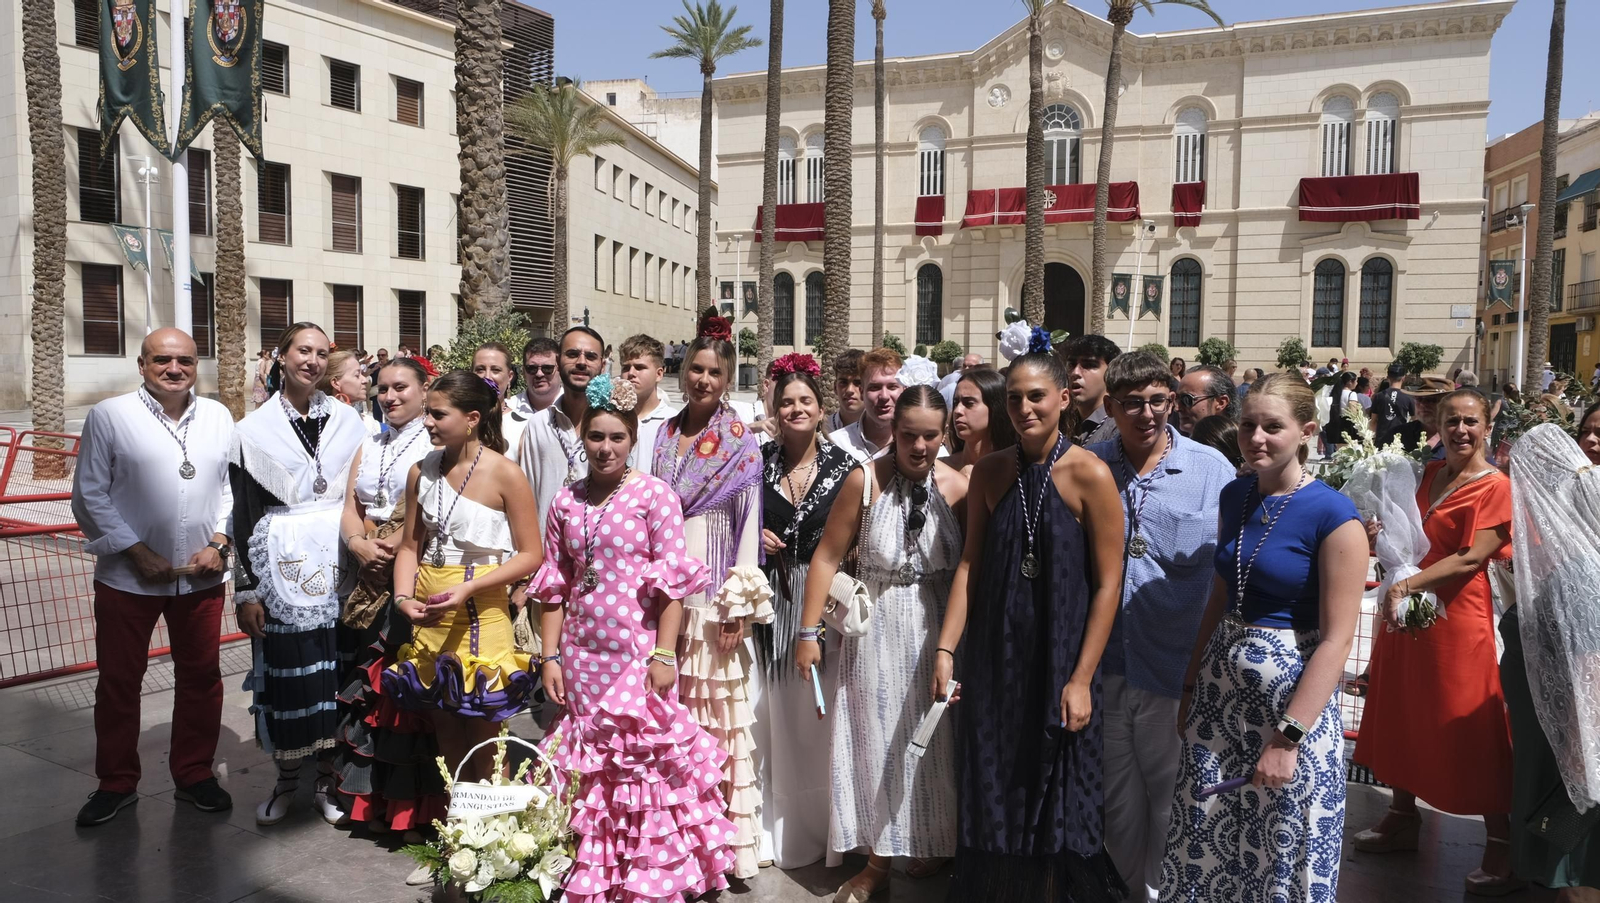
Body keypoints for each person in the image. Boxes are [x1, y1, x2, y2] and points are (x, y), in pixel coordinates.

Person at [531, 374, 738, 903]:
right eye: (596, 437)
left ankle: (648, 875)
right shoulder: (565, 501)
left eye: (616, 438)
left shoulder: (655, 496)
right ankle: (591, 869)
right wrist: (549, 656)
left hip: (638, 651)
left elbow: (672, 586)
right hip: (580, 654)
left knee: (642, 761)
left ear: (631, 440)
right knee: (589, 758)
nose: (605, 448)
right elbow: (555, 584)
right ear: (583, 437)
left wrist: (665, 653)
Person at [1161, 372, 1366, 901]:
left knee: (1275, 850)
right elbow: (1220, 594)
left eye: (1272, 426)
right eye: (1248, 425)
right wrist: (1190, 688)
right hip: (1219, 698)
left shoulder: (1335, 516)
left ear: (1307, 431)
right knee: (1204, 840)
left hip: (1288, 707)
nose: (1256, 438)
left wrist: (1287, 738)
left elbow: (1338, 639)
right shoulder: (1236, 494)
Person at [934, 342, 1125, 899]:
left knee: (1060, 791)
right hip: (996, 660)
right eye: (1014, 398)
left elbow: (1109, 583)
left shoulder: (1090, 473)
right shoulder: (989, 472)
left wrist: (1082, 678)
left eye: (1037, 396)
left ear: (1064, 398)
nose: (1025, 408)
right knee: (995, 782)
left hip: (1060, 658)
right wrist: (947, 649)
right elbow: (969, 565)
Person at [796, 386, 966, 900]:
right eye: (908, 434)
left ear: (945, 434)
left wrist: (956, 646)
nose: (918, 445)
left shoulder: (958, 487)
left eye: (930, 435)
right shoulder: (863, 480)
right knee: (877, 745)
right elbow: (826, 557)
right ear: (893, 431)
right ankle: (878, 861)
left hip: (938, 629)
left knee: (937, 743)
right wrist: (808, 632)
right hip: (875, 631)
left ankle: (935, 841)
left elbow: (968, 572)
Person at [1352, 388, 1519, 894]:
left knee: (1470, 722)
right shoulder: (1425, 475)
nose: (1461, 430)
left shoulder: (1496, 487)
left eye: (1471, 421)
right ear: (1438, 426)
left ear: (1488, 426)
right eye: (1452, 421)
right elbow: (1404, 538)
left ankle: (1501, 844)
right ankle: (1402, 816)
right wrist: (1376, 530)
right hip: (1410, 614)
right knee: (1401, 709)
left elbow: (1472, 557)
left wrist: (1406, 584)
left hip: (1457, 619)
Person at [70, 328, 236, 826]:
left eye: (185, 360)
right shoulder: (109, 416)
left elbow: (231, 488)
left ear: (196, 366)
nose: (175, 369)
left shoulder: (218, 416)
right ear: (142, 364)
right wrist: (135, 551)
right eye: (162, 360)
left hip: (201, 577)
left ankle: (194, 773)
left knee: (201, 678)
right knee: (119, 682)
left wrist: (219, 543)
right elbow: (90, 494)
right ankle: (116, 782)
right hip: (128, 580)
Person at [1086, 352, 1235, 901]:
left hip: (1176, 672)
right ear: (1111, 407)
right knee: (1116, 805)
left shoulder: (1211, 471)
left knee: (1174, 801)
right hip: (1106, 669)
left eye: (1158, 401)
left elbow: (1229, 574)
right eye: (1131, 404)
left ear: (1172, 401)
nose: (1146, 414)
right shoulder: (1090, 465)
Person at [652, 311, 774, 879]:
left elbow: (749, 529)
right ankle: (679, 848)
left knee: (717, 728)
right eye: (695, 369)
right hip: (666, 597)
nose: (703, 379)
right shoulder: (662, 434)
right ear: (682, 371)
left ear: (727, 380)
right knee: (673, 723)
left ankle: (721, 852)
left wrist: (737, 609)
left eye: (713, 372)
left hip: (714, 597)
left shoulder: (740, 443)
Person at [231, 322, 368, 825]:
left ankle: (328, 780)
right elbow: (242, 514)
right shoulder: (252, 431)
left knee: (336, 671)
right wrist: (246, 589)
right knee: (290, 673)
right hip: (281, 567)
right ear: (282, 357)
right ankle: (287, 779)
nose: (310, 360)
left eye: (320, 352)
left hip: (339, 563)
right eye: (302, 350)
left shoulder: (352, 423)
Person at [382, 371, 543, 782]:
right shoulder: (420, 471)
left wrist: (470, 586)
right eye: (427, 413)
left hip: (482, 616)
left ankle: (495, 836)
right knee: (445, 725)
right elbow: (409, 548)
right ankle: (461, 829)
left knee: (487, 731)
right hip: (430, 618)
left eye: (437, 414)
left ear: (472, 418)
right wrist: (402, 600)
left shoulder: (506, 473)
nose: (427, 422)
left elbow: (531, 554)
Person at [329, 356, 444, 844]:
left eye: (401, 388)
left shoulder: (435, 441)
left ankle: (412, 813)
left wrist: (394, 548)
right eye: (383, 388)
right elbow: (350, 506)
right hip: (365, 574)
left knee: (402, 694)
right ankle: (370, 802)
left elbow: (439, 510)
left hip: (409, 575)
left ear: (424, 391)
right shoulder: (368, 438)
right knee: (368, 693)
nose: (390, 396)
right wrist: (358, 543)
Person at [756, 355, 855, 869]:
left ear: (822, 409)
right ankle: (778, 830)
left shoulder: (846, 468)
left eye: (806, 401)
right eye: (787, 400)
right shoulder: (756, 461)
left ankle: (826, 828)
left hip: (825, 607)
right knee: (774, 712)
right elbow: (731, 520)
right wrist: (755, 540)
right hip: (768, 601)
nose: (796, 408)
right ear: (774, 407)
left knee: (822, 715)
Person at [1505, 409, 1600, 903]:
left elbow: (1589, 669)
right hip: (1563, 737)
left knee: (1577, 867)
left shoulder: (1580, 575)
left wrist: (1580, 753)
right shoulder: (1578, 563)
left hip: (1574, 746)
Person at [519, 326, 606, 522]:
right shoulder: (538, 424)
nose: (581, 362)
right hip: (548, 546)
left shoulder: (616, 426)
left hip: (600, 546)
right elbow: (527, 495)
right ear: (558, 362)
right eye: (573, 354)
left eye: (591, 357)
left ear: (602, 365)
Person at [831, 347, 904, 462]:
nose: (884, 396)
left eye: (892, 387)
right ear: (861, 392)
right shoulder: (835, 445)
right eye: (875, 387)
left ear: (904, 390)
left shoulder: (919, 445)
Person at [618, 333, 679, 468]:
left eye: (640, 367)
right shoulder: (612, 416)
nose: (631, 373)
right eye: (626, 368)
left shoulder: (674, 422)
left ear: (659, 374)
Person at [946, 366, 1015, 475]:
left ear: (995, 407)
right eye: (955, 402)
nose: (957, 411)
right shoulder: (941, 469)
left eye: (969, 403)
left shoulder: (1016, 472)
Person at [1062, 334, 1123, 446]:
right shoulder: (1063, 423)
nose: (1075, 373)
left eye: (1089, 365)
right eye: (1071, 364)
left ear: (1111, 372)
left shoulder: (1120, 427)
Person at [472, 341, 525, 464]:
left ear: (510, 376)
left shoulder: (524, 427)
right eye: (480, 370)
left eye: (495, 370)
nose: (487, 377)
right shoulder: (459, 418)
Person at [321, 349, 380, 435]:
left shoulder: (369, 424)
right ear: (335, 383)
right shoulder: (322, 424)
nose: (364, 380)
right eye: (357, 375)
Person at [507, 337, 560, 418]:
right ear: (523, 372)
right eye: (532, 368)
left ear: (560, 369)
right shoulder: (507, 410)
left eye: (547, 368)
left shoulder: (577, 409)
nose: (539, 374)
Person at [1175, 365, 1236, 435]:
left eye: (1187, 400)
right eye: (1176, 399)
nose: (1177, 408)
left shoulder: (1241, 444)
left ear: (1220, 403)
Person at [1371, 361, 1415, 447]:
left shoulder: (1378, 396)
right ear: (1403, 378)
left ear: (1388, 378)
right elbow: (1415, 419)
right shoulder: (1408, 397)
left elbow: (1373, 421)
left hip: (1381, 440)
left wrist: (1372, 439)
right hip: (1400, 441)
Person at [825, 348, 867, 433]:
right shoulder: (824, 430)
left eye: (857, 383)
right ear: (835, 387)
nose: (849, 390)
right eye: (843, 382)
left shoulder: (884, 431)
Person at [1323, 370, 1359, 457]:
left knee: (1339, 452)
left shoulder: (1335, 393)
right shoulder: (1352, 394)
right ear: (1350, 382)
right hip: (1348, 425)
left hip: (1336, 423)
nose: (1357, 383)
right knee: (1349, 452)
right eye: (1356, 381)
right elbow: (1353, 412)